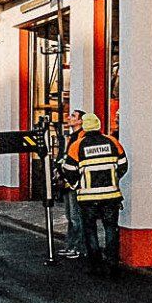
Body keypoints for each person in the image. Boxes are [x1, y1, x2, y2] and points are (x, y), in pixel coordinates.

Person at [58, 113, 127, 274]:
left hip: (88, 197)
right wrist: (113, 179)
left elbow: (68, 170)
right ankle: (113, 264)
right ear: (98, 125)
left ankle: (95, 265)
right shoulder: (112, 142)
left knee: (90, 230)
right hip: (110, 195)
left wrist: (77, 185)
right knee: (111, 228)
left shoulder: (77, 145)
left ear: (85, 126)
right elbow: (123, 165)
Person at [58, 108, 85, 259]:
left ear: (80, 121)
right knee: (70, 216)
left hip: (75, 183)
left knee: (76, 217)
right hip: (68, 181)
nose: (69, 118)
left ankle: (78, 248)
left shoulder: (81, 138)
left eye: (73, 116)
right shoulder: (71, 137)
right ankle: (70, 246)